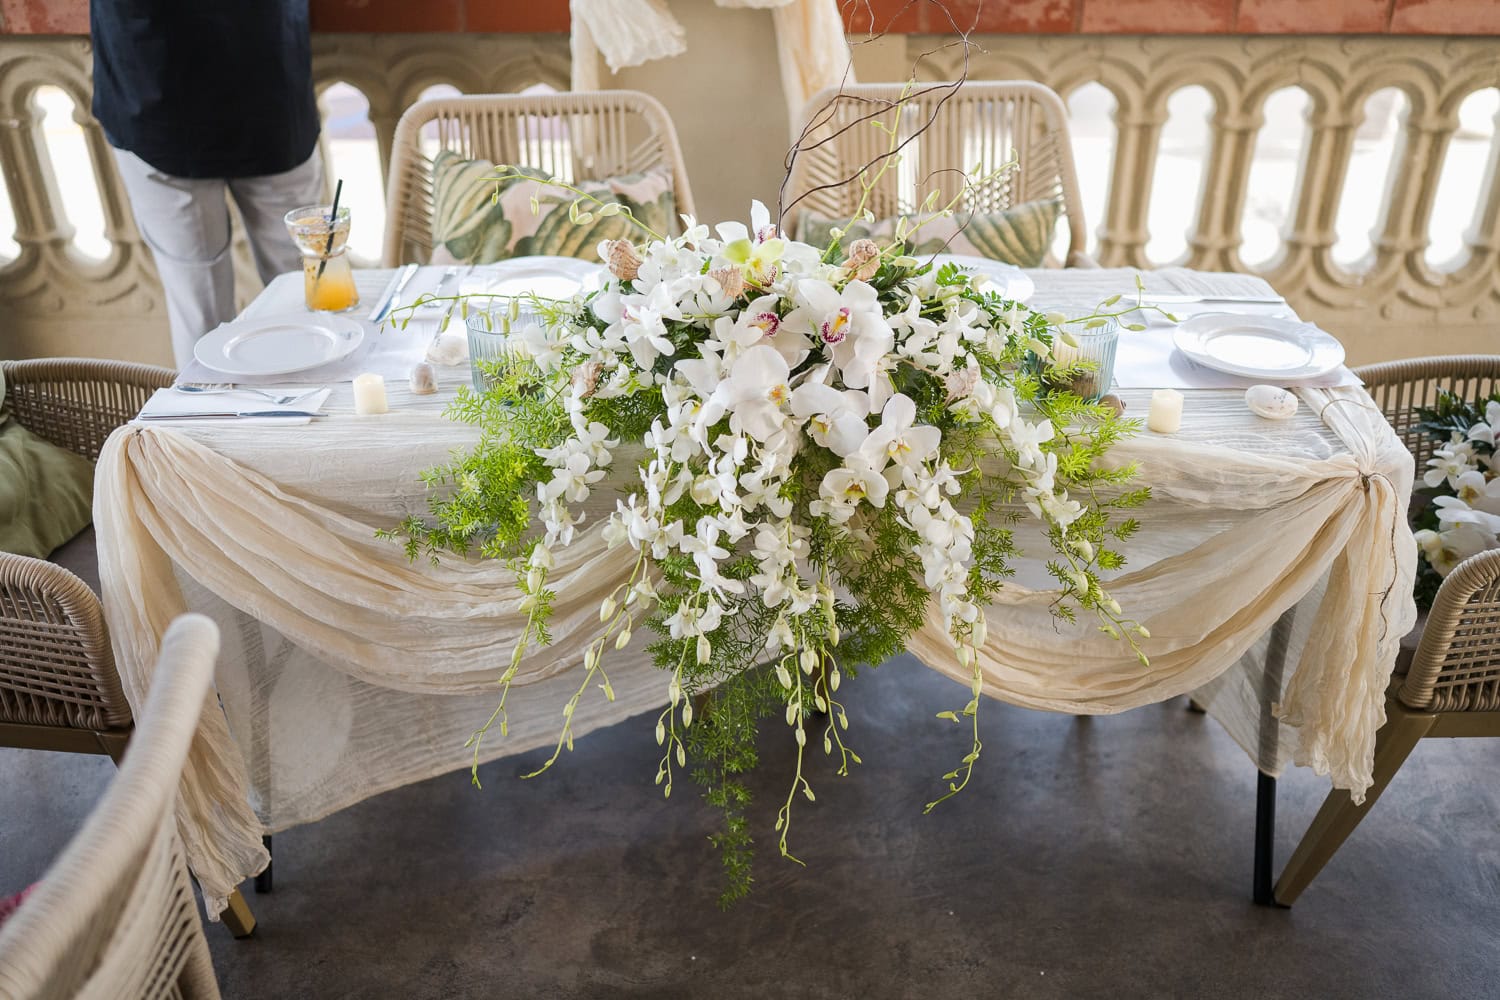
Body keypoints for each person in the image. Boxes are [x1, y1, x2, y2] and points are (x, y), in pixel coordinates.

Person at [90, 1, 325, 366]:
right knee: (305, 297)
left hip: (157, 81)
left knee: (204, 316)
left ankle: (210, 419)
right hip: (265, 72)